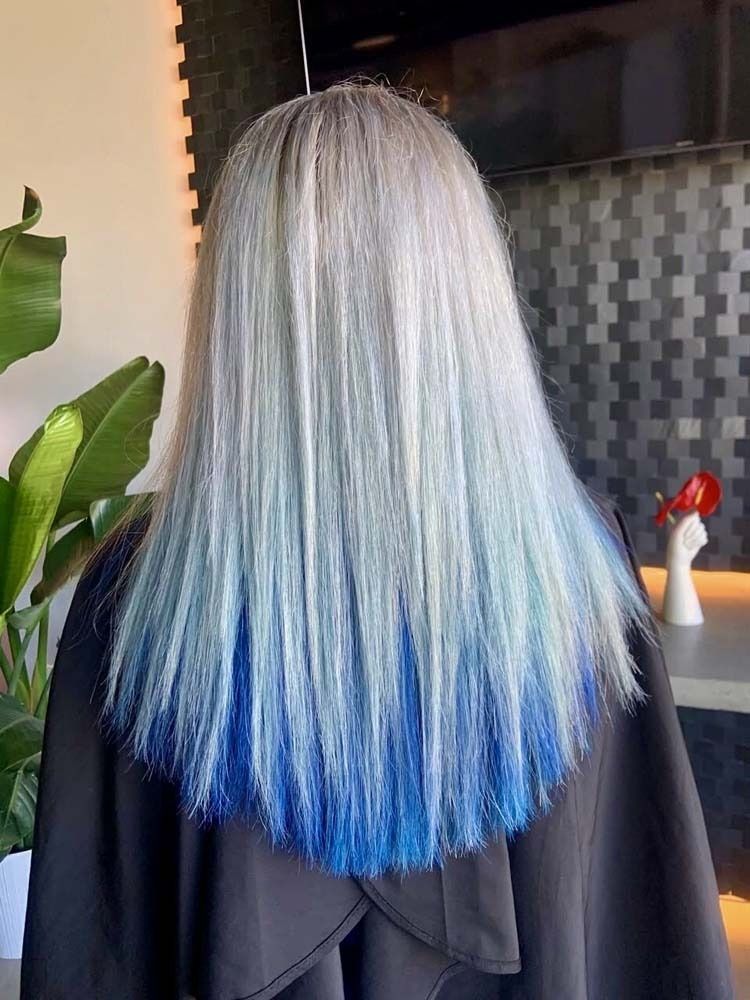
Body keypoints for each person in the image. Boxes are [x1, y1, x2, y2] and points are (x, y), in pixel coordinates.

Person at [21, 84, 732, 999]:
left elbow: (96, 947)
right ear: (466, 292)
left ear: (237, 306)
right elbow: (642, 921)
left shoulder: (137, 593)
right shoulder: (579, 564)